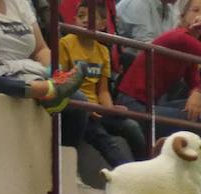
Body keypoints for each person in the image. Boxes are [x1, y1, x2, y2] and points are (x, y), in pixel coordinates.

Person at [114, 0, 201, 170]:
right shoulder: (179, 38)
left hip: (150, 105)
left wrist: (197, 92)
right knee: (195, 118)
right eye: (195, 10)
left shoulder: (189, 44)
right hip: (132, 104)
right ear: (183, 15)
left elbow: (194, 78)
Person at [59, 0, 148, 166]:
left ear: (102, 24)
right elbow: (61, 82)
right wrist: (88, 108)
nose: (85, 20)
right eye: (80, 16)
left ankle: (146, 169)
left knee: (131, 126)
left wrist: (110, 109)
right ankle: (128, 176)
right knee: (106, 140)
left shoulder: (103, 51)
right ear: (73, 20)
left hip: (98, 109)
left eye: (91, 17)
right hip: (78, 110)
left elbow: (103, 91)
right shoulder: (65, 43)